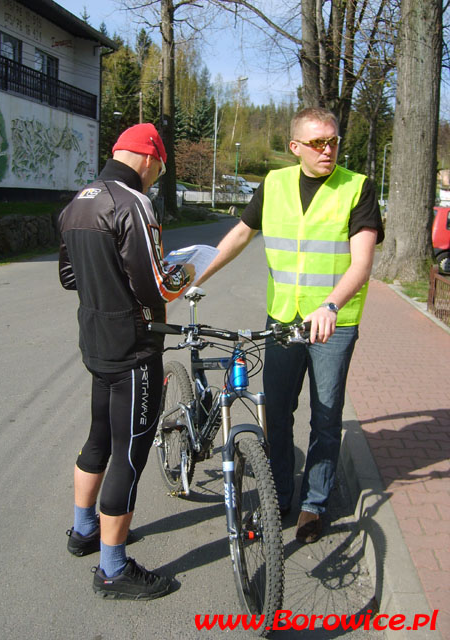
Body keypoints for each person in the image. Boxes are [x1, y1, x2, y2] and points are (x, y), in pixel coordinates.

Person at [197, 107, 384, 544]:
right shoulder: (274, 184)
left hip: (333, 324)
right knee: (277, 411)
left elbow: (362, 264)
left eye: (334, 140)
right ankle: (278, 493)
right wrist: (195, 276)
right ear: (295, 147)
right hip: (283, 319)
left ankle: (313, 504)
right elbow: (242, 234)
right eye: (318, 142)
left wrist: (332, 305)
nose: (329, 149)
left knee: (325, 415)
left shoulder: (357, 188)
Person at [58, 123, 195, 598]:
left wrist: (107, 281)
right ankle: (113, 570)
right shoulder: (132, 201)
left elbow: (69, 275)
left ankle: (83, 532)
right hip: (135, 349)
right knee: (129, 456)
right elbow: (155, 286)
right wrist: (187, 269)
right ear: (150, 158)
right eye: (158, 168)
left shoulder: (78, 201)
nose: (156, 177)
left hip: (96, 343)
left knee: (98, 437)